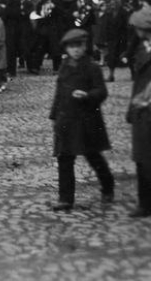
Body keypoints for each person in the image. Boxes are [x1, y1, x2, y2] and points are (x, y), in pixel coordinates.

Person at [49, 28, 114, 212]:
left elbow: (102, 92)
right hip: (66, 120)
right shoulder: (64, 66)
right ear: (66, 49)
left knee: (93, 156)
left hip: (87, 121)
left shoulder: (92, 67)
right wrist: (54, 115)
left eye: (78, 46)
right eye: (71, 47)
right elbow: (59, 93)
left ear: (85, 46)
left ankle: (108, 186)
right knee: (65, 159)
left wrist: (87, 95)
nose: (75, 50)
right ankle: (65, 199)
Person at [126, 7, 151, 217]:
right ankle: (144, 203)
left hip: (147, 109)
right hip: (142, 111)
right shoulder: (143, 48)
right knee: (142, 159)